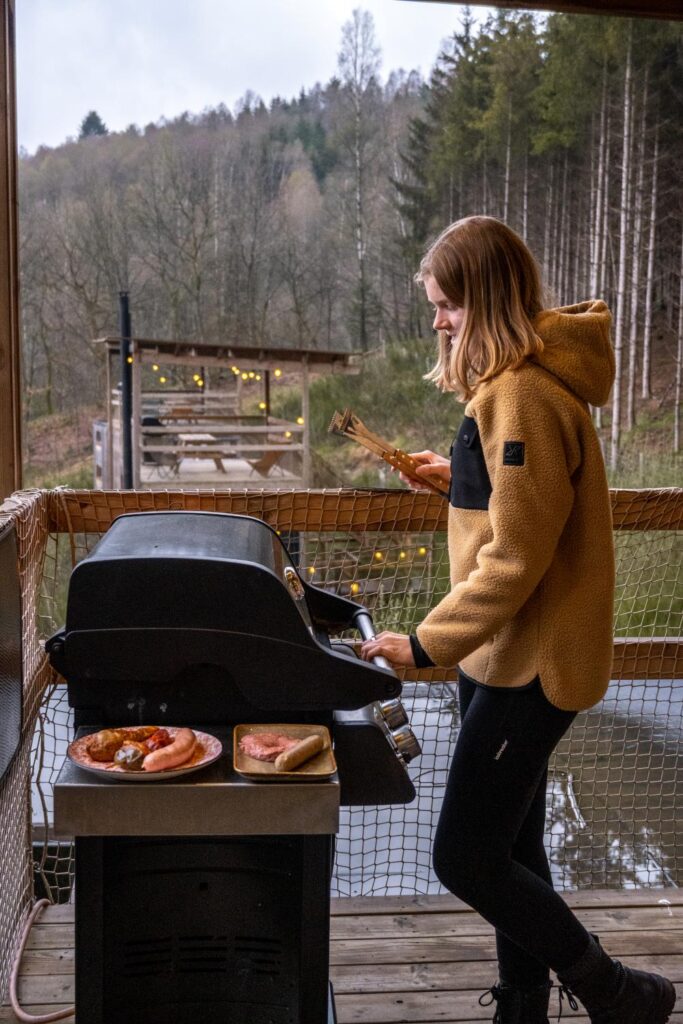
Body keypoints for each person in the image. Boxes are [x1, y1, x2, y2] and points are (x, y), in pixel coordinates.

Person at [359, 216, 676, 1024]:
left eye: (447, 305)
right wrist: (452, 479)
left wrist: (425, 643)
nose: (437, 321)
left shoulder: (523, 395)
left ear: (486, 300)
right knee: (512, 847)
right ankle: (521, 1005)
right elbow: (517, 510)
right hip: (501, 658)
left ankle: (615, 992)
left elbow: (515, 559)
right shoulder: (512, 391)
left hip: (527, 665)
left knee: (463, 855)